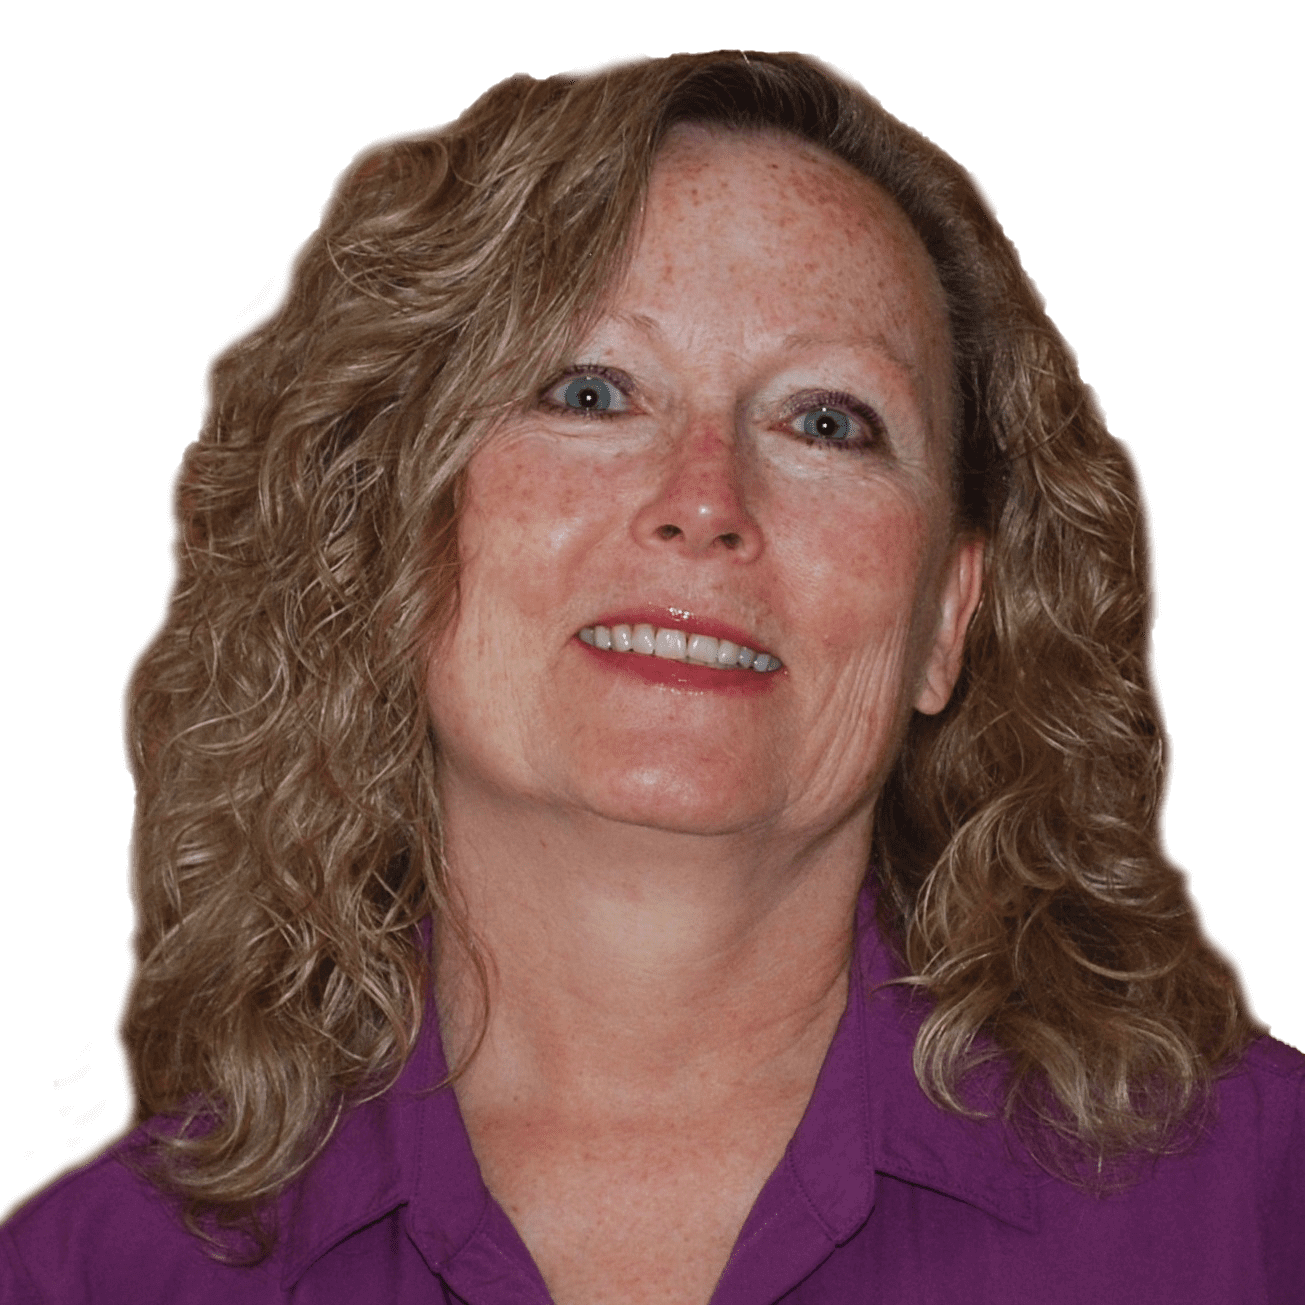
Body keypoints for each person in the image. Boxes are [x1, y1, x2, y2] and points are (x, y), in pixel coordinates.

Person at [2, 50, 1299, 1304]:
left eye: (827, 421)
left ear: (947, 619)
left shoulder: (1264, 1209)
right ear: (386, 535)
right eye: (589, 391)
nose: (705, 501)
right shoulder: (89, 1279)